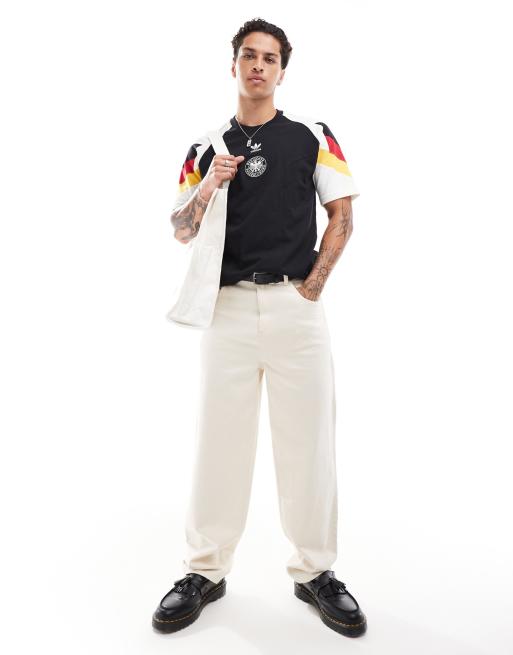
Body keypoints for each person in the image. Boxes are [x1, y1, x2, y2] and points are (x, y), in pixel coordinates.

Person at [152, 18, 367, 638]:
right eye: (249, 55)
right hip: (227, 310)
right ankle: (205, 570)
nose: (258, 66)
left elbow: (342, 214)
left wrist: (312, 288)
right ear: (234, 65)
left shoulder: (313, 136)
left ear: (281, 71)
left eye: (269, 58)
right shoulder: (205, 146)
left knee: (309, 442)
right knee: (219, 442)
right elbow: (181, 230)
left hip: (295, 307)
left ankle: (315, 572)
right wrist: (208, 186)